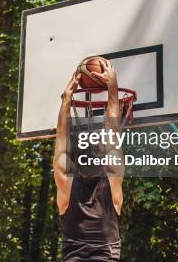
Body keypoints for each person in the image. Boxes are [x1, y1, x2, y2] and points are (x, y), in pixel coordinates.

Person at [53, 59, 124, 261]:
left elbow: (61, 139)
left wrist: (67, 99)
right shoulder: (111, 185)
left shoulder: (66, 186)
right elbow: (112, 132)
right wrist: (112, 87)